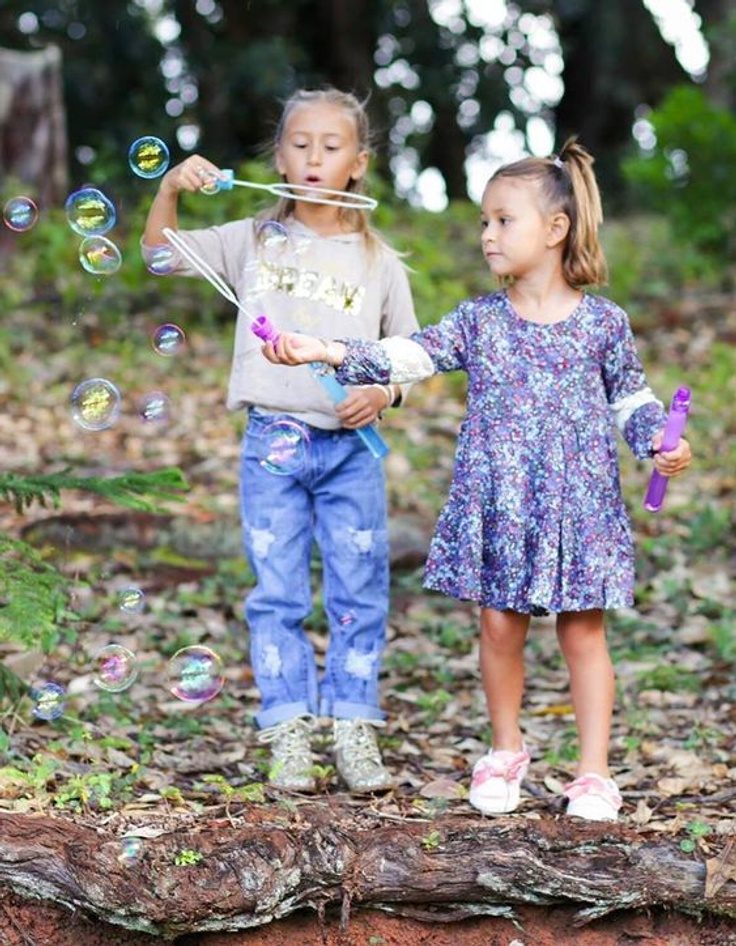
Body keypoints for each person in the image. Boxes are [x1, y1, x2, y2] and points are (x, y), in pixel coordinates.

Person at [262, 137, 693, 821]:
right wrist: (330, 350)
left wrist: (656, 444)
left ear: (556, 231)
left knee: (583, 633)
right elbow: (410, 353)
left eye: (503, 220)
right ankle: (504, 750)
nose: (487, 234)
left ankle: (593, 773)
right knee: (499, 626)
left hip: (576, 506)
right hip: (503, 504)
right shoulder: (479, 322)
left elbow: (631, 399)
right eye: (484, 222)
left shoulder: (604, 324)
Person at [142, 87, 419, 793]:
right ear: (278, 154)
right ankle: (289, 731)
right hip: (273, 442)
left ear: (359, 164)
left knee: (361, 590)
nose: (314, 157)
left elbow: (409, 355)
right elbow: (158, 257)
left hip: (351, 452)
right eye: (299, 143)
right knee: (277, 595)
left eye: (331, 146)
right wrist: (172, 186)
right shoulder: (251, 241)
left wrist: (382, 391)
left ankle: (354, 728)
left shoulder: (378, 261)